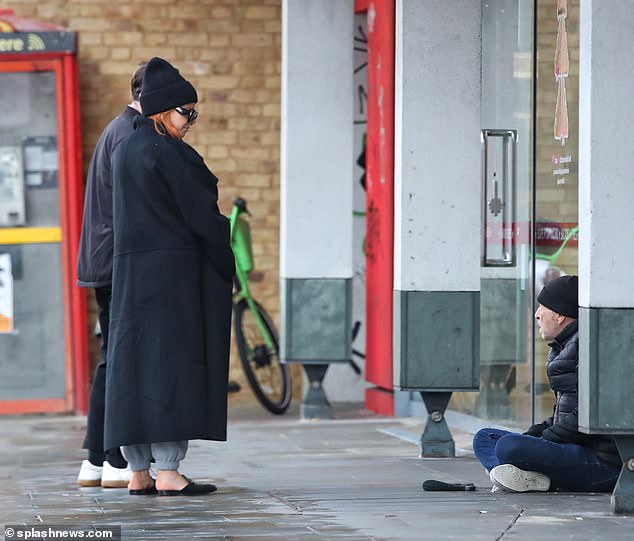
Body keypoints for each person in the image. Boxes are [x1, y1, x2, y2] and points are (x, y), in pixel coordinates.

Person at [104, 57, 235, 496]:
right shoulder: (170, 153)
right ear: (163, 109)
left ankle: (138, 471)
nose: (191, 121)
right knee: (169, 369)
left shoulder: (124, 149)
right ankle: (169, 471)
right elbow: (202, 215)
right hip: (173, 277)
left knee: (133, 369)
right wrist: (224, 254)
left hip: (130, 274)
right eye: (186, 111)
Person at [473, 275, 622, 492]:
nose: (537, 314)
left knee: (509, 447)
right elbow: (564, 413)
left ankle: (526, 476)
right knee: (485, 438)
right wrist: (535, 435)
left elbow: (588, 415)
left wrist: (542, 441)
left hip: (603, 463)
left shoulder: (588, 348)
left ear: (560, 315)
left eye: (543, 307)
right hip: (572, 447)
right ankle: (521, 476)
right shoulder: (564, 347)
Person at [76, 62, 147, 488]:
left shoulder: (116, 129)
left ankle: (99, 459)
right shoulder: (131, 134)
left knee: (113, 359)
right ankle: (110, 458)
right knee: (118, 361)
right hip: (117, 264)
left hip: (105, 263)